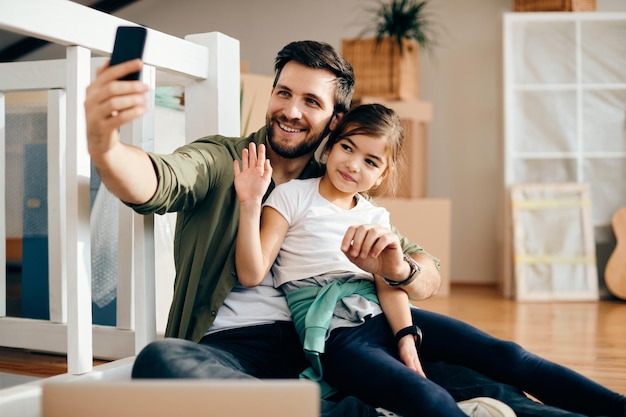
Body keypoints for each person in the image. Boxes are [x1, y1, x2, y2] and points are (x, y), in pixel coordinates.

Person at [83, 39, 625, 417]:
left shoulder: (343, 188)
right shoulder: (227, 160)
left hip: (350, 334)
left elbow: (421, 269)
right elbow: (158, 180)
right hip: (243, 349)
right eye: (283, 93)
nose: (291, 110)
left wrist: (403, 275)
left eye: (312, 101)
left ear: (335, 119)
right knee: (162, 362)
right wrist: (105, 146)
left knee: (491, 381)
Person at [232, 103, 626, 417]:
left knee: (509, 355)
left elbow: (388, 283)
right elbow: (252, 273)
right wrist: (251, 202)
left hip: (385, 314)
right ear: (331, 145)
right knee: (424, 395)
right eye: (348, 148)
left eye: (371, 161)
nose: (353, 165)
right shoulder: (291, 197)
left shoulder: (374, 216)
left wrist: (406, 340)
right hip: (337, 333)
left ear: (383, 174)